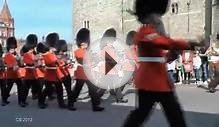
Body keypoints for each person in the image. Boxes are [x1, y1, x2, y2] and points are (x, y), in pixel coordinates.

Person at [122, 0, 205, 127]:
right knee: (141, 115)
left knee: (174, 114)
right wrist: (191, 43)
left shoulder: (152, 32)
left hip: (159, 81)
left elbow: (161, 57)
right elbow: (165, 42)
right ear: (149, 15)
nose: (159, 18)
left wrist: (172, 54)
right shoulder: (144, 33)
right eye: (157, 15)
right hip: (150, 81)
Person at [71, 28, 104, 111]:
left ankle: (95, 105)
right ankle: (70, 103)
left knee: (93, 89)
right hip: (82, 73)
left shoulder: (86, 51)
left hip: (87, 73)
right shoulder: (78, 51)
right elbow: (85, 61)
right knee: (77, 90)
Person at [38, 33, 65, 109]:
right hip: (49, 74)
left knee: (60, 90)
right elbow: (49, 63)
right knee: (47, 90)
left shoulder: (54, 54)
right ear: (51, 47)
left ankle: (61, 103)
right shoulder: (45, 55)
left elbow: (59, 63)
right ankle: (41, 102)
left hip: (56, 75)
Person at [3, 37, 26, 107]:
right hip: (11, 74)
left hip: (16, 74)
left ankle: (21, 101)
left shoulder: (15, 55)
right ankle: (4, 100)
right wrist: (14, 65)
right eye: (12, 49)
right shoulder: (7, 55)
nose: (13, 50)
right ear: (9, 48)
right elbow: (8, 64)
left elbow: (20, 64)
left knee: (20, 87)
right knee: (9, 88)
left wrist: (19, 60)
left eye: (13, 48)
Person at [55, 39, 75, 110]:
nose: (62, 52)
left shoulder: (65, 55)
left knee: (69, 90)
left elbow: (69, 64)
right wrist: (65, 63)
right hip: (59, 74)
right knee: (59, 91)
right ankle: (61, 103)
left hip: (65, 73)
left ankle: (70, 104)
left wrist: (69, 64)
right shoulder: (55, 56)